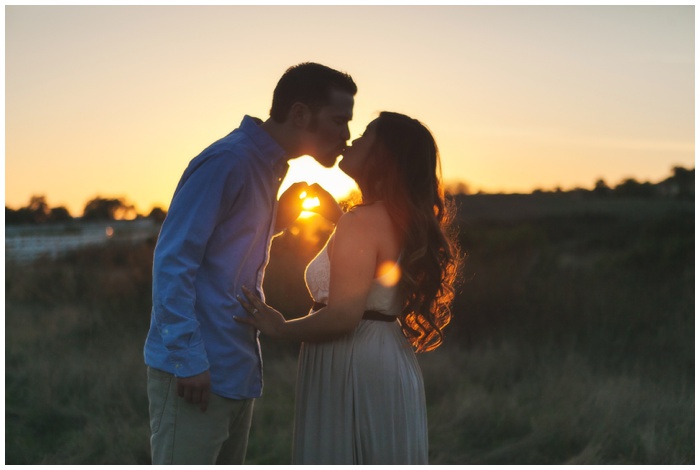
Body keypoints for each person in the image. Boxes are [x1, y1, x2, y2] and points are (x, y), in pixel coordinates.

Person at [143, 62, 357, 465]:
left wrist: (276, 220)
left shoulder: (263, 168)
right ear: (299, 114)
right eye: (339, 120)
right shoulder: (229, 161)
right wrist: (187, 360)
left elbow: (225, 248)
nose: (346, 136)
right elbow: (173, 261)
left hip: (234, 372)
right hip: (197, 374)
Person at [236, 111, 462, 464]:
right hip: (384, 356)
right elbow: (373, 273)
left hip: (352, 360)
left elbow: (343, 315)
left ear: (383, 155)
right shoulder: (393, 217)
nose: (353, 139)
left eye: (366, 134)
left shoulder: (362, 221)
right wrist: (338, 219)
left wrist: (280, 326)